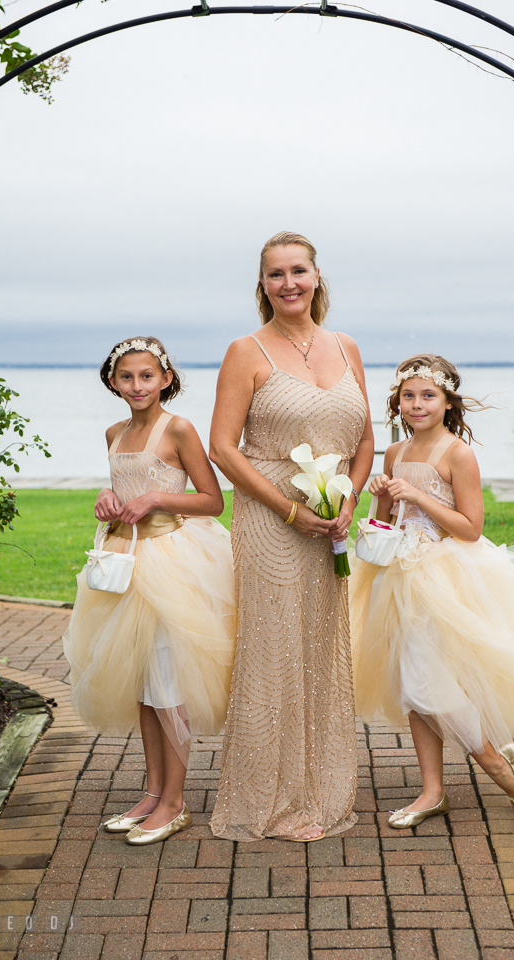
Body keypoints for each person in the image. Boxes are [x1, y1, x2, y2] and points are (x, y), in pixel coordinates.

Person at [350, 354, 514, 829]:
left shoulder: (456, 454)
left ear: (448, 402)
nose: (417, 404)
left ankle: (489, 756)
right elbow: (385, 522)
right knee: (412, 683)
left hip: (444, 577)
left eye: (429, 395)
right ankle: (433, 790)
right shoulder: (394, 453)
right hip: (397, 578)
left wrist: (421, 495)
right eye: (409, 395)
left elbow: (470, 528)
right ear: (397, 402)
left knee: (428, 679)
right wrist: (383, 496)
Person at [209, 232, 374, 842]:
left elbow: (363, 441)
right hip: (270, 519)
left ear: (317, 275)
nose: (288, 283)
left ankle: (320, 788)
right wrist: (288, 510)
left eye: (297, 271)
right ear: (263, 285)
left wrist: (348, 497)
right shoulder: (246, 351)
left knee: (321, 648)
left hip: (330, 519)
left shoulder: (347, 346)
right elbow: (223, 447)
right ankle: (271, 801)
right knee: (275, 653)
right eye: (275, 275)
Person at [63, 336, 236, 845]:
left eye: (146, 376)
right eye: (126, 377)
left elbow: (212, 500)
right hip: (125, 562)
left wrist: (160, 497)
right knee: (142, 684)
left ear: (165, 379)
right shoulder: (115, 431)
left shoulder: (177, 429)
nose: (137, 385)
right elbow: (124, 486)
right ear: (113, 381)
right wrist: (108, 497)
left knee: (166, 685)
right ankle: (154, 789)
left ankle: (176, 802)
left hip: (171, 563)